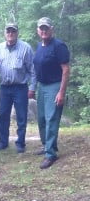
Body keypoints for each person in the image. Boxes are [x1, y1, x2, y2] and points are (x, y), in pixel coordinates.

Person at [0, 23, 36, 153]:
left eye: (13, 31)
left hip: (20, 87)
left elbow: (32, 70)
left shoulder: (26, 48)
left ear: (17, 33)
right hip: (4, 88)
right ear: (5, 33)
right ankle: (3, 142)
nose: (10, 33)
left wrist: (32, 88)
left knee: (21, 116)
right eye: (8, 31)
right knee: (2, 116)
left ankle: (20, 143)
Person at [33, 17, 70, 169]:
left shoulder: (59, 46)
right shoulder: (39, 46)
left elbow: (66, 69)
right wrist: (34, 87)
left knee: (51, 119)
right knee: (41, 119)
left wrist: (61, 92)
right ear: (38, 30)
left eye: (46, 28)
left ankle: (50, 154)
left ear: (51, 29)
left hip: (54, 85)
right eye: (41, 28)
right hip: (42, 86)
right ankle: (46, 145)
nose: (43, 31)